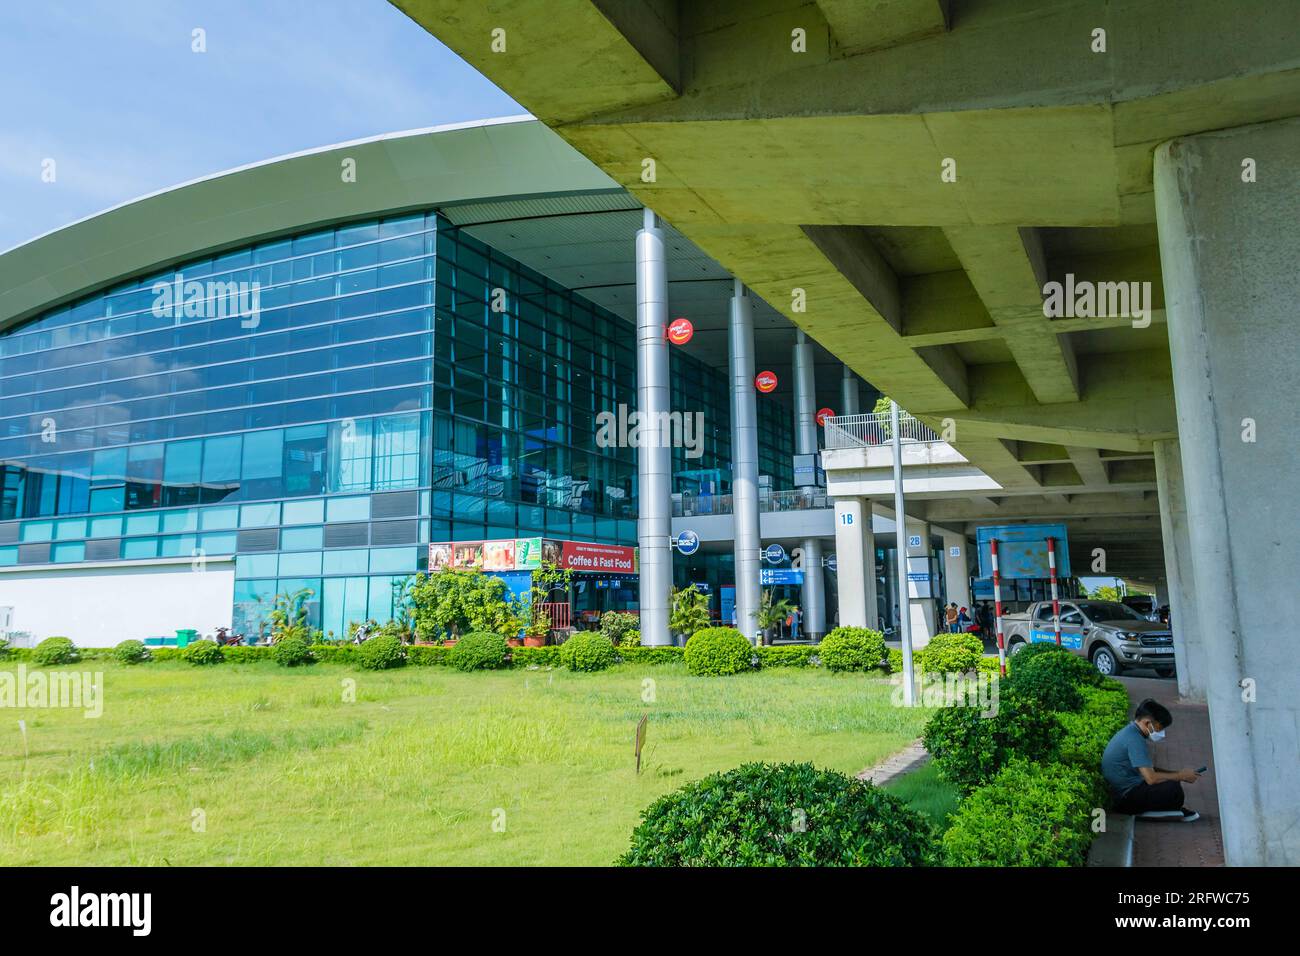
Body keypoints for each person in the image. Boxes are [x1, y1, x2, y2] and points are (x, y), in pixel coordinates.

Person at [1101, 698, 1201, 821]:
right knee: (1174, 789)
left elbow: (1150, 769)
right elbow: (1151, 778)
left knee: (1171, 783)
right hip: (1126, 798)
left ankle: (1169, 808)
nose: (1161, 732)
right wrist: (1180, 776)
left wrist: (1178, 773)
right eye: (1159, 728)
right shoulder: (1135, 740)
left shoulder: (1131, 732)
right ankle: (1163, 810)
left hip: (1127, 791)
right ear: (1148, 723)